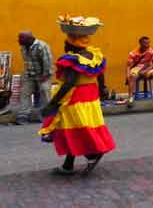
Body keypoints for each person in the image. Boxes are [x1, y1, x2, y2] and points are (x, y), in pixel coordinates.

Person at [39, 17, 115, 175]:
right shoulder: (94, 55)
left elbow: (69, 83)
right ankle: (68, 165)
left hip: (75, 98)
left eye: (66, 43)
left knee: (74, 129)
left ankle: (92, 154)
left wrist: (53, 103)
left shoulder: (72, 60)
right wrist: (102, 90)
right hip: (91, 96)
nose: (64, 46)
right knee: (77, 127)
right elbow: (100, 74)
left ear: (70, 43)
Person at [14, 31, 53, 125]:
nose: (19, 41)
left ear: (30, 39)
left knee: (44, 91)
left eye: (21, 39)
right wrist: (27, 75)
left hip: (44, 73)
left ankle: (47, 115)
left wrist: (45, 76)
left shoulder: (42, 46)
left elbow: (47, 62)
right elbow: (27, 61)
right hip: (29, 74)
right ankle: (23, 115)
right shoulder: (23, 47)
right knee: (24, 92)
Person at [126, 36, 153, 107]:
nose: (147, 45)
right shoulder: (133, 53)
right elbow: (128, 66)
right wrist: (127, 76)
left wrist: (146, 70)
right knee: (132, 76)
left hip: (147, 68)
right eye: (145, 43)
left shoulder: (152, 51)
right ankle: (130, 98)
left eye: (148, 43)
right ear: (140, 43)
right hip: (136, 69)